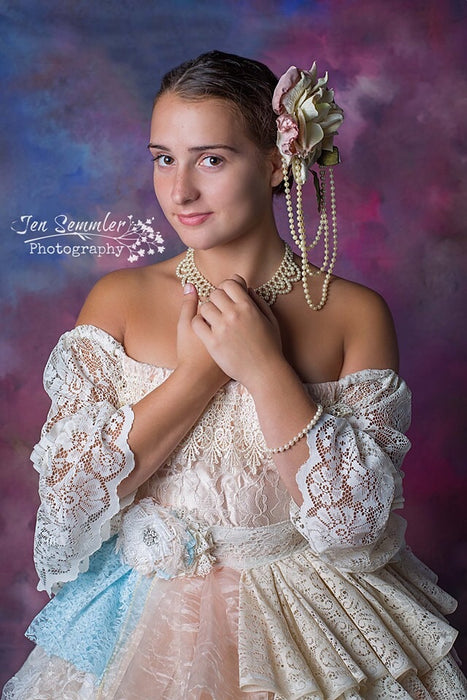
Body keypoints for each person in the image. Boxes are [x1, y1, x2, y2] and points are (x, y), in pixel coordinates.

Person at [2, 50, 466, 700]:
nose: (180, 191)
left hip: (304, 623)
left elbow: (357, 531)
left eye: (211, 160)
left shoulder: (352, 314)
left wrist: (264, 368)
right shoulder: (119, 300)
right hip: (138, 628)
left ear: (277, 162)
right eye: (164, 158)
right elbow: (67, 507)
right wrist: (198, 374)